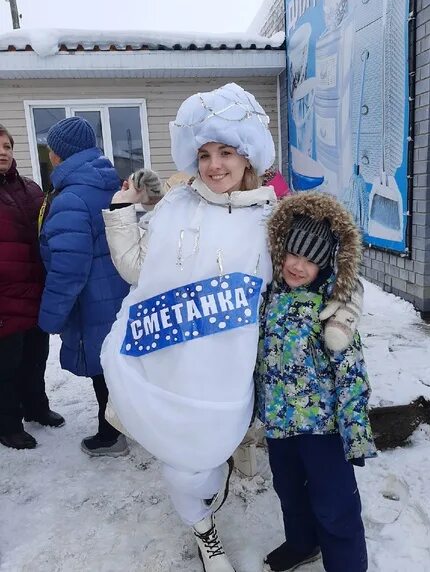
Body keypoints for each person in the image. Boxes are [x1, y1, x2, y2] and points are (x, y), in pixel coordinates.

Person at [101, 83, 278, 572]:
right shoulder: (175, 207)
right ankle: (205, 533)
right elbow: (140, 271)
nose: (214, 165)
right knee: (181, 466)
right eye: (204, 153)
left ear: (248, 157)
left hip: (226, 373)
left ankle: (215, 486)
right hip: (169, 363)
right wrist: (121, 213)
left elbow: (303, 285)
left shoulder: (272, 220)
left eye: (226, 152)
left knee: (209, 454)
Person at [255, 191, 377, 572]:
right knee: (290, 494)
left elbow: (351, 372)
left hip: (323, 430)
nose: (298, 266)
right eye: (293, 255)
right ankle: (302, 544)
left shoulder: (333, 309)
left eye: (310, 260)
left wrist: (355, 430)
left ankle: (347, 565)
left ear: (324, 265)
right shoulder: (268, 297)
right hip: (279, 424)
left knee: (334, 505)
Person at [38, 116, 129, 456]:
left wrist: (50, 317)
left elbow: (68, 269)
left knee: (100, 367)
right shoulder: (109, 185)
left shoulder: (71, 199)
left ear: (59, 154)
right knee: (116, 365)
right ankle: (128, 425)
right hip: (117, 295)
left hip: (93, 301)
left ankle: (110, 435)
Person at [0, 124, 64, 450]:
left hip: (35, 290)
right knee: (6, 367)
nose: (3, 152)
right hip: (4, 298)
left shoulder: (30, 188)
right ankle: (7, 424)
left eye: (7, 146)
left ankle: (36, 408)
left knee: (36, 358)